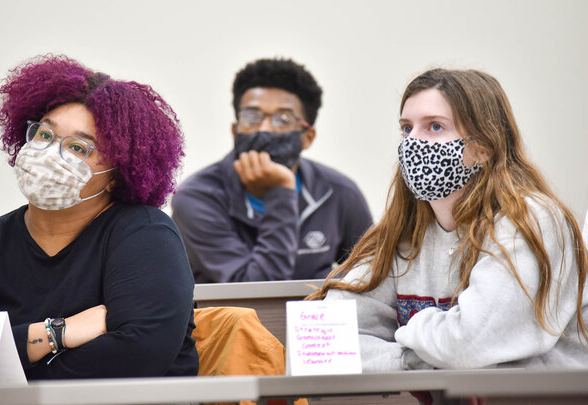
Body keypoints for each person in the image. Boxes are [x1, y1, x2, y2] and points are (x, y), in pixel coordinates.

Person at [0, 55, 199, 382]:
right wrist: (59, 333)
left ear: (116, 176)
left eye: (78, 148)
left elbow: (138, 357)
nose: (50, 154)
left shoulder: (145, 234)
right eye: (44, 135)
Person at [309, 68, 588, 371]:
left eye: (434, 127)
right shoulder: (404, 230)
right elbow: (324, 341)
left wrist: (401, 336)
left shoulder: (531, 221)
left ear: (483, 146)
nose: (412, 142)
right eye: (406, 128)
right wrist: (413, 357)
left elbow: (469, 344)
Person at [172, 58, 373, 283]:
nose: (265, 129)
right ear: (234, 129)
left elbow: (373, 274)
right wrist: (280, 193)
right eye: (252, 116)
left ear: (308, 137)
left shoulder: (338, 192)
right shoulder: (198, 197)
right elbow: (254, 292)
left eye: (283, 119)